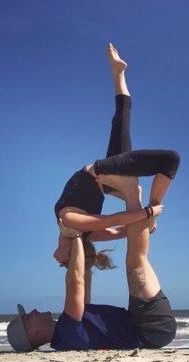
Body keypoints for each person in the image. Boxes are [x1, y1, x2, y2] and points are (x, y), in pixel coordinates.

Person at [7, 177, 176, 351]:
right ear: (32, 334)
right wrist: (75, 235)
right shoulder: (67, 332)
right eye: (27, 318)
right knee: (136, 263)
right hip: (150, 328)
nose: (33, 311)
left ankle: (135, 204)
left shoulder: (68, 329)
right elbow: (76, 282)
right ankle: (133, 196)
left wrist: (75, 253)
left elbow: (83, 280)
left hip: (147, 326)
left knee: (136, 261)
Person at [53, 43, 180, 269]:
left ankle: (118, 72)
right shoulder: (77, 228)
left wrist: (144, 217)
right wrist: (148, 214)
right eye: (63, 262)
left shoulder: (73, 227)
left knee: (121, 119)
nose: (57, 261)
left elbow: (113, 228)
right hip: (105, 176)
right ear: (70, 251)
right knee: (169, 160)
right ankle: (153, 203)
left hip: (105, 179)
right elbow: (113, 226)